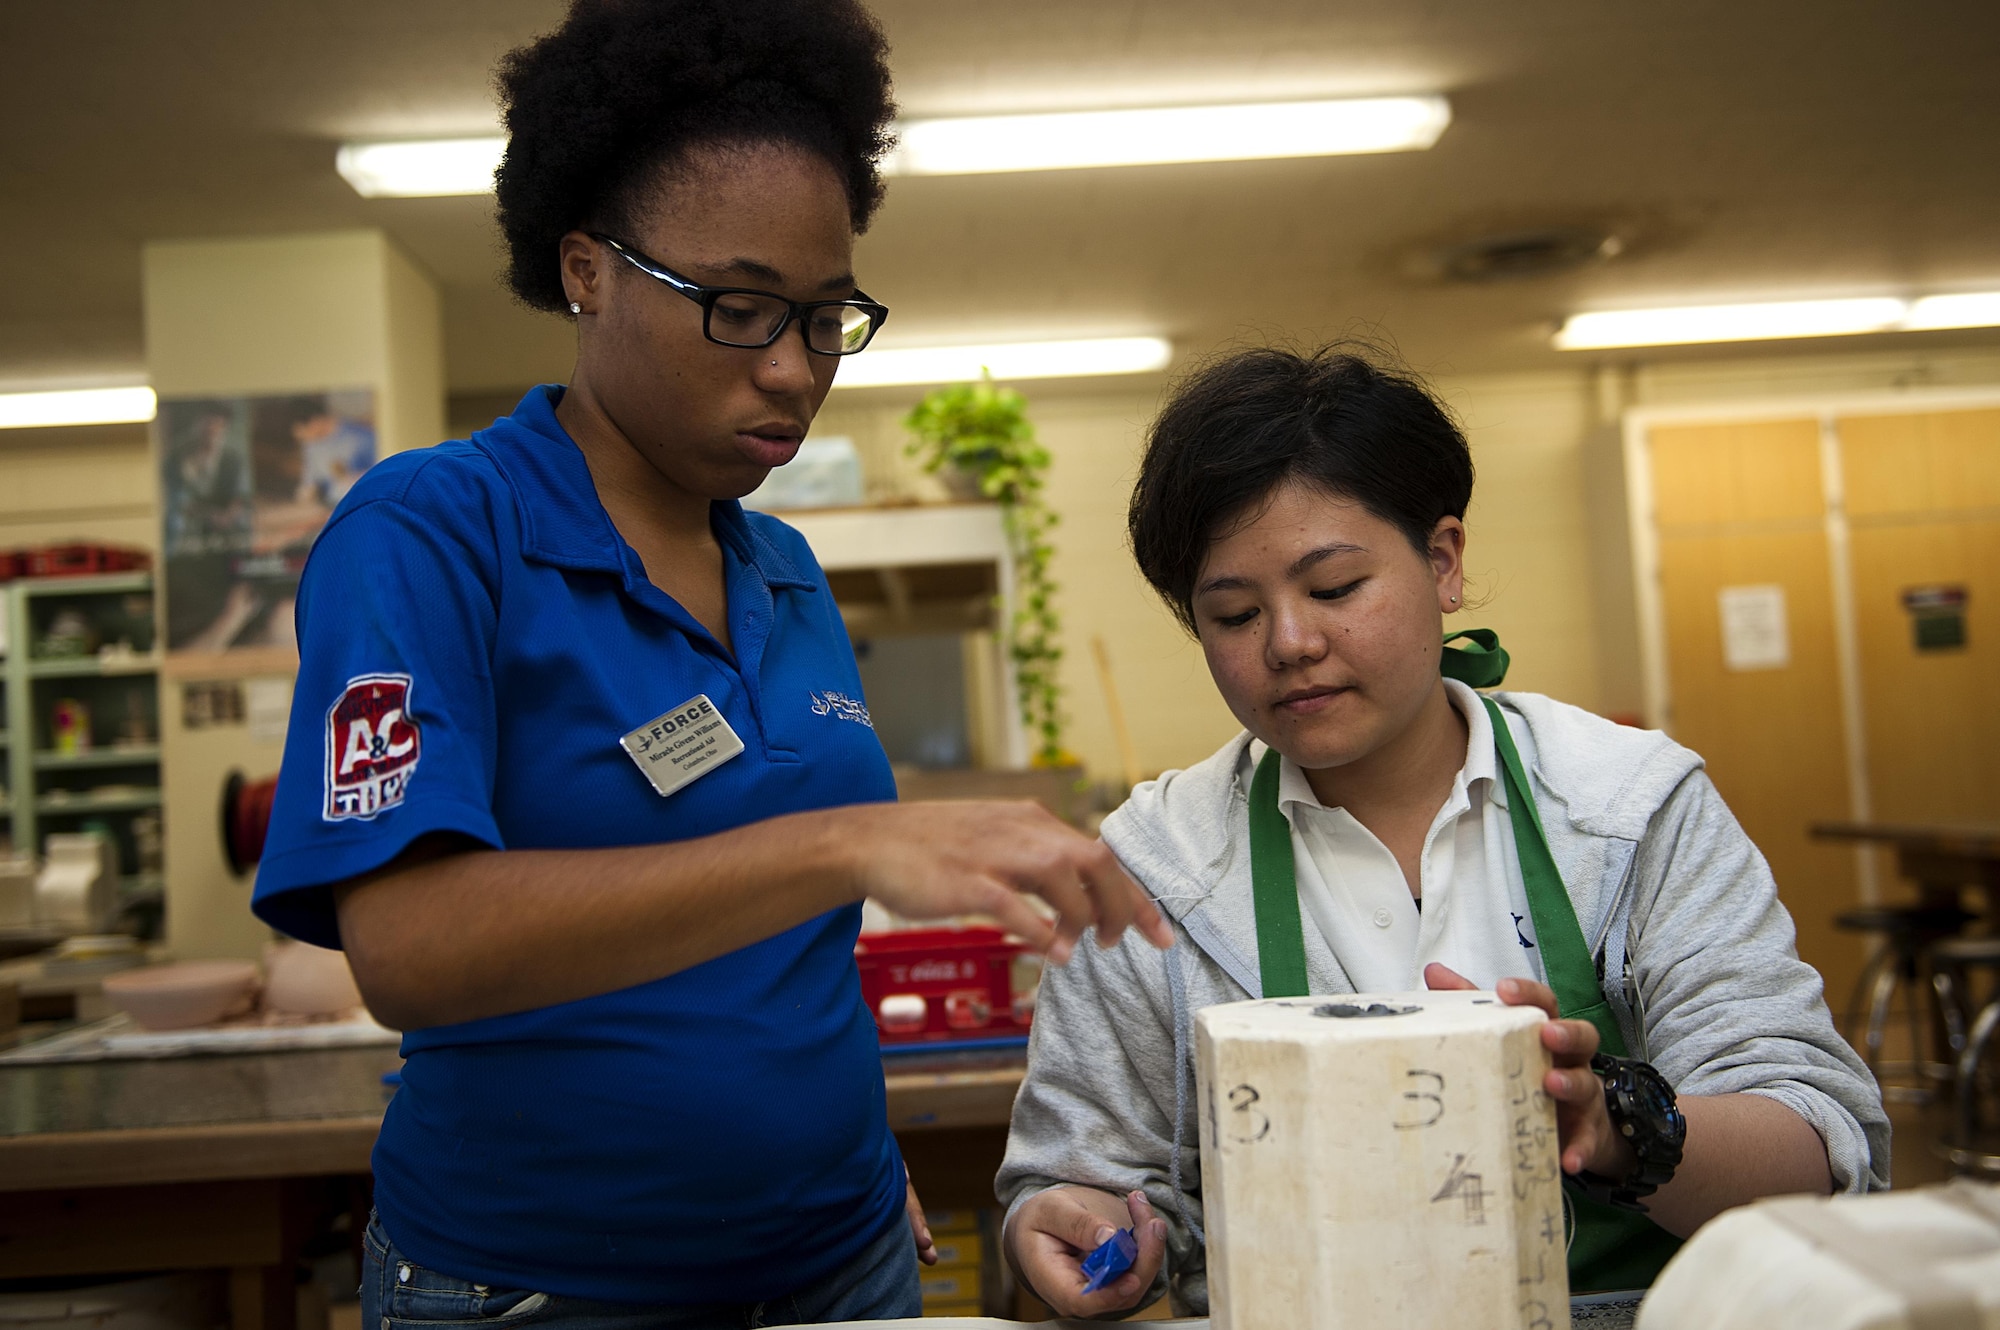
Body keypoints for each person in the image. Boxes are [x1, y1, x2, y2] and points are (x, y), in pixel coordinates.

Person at [250, 3, 1169, 1326]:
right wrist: (845, 842)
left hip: (843, 1253)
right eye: (741, 308)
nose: (796, 370)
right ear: (587, 269)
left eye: (827, 317)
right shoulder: (434, 532)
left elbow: (769, 952)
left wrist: (827, 1145)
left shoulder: (783, 568)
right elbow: (408, 946)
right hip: (544, 1286)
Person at [996, 346, 1888, 1316]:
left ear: (1442, 560)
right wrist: (1072, 1224)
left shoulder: (1626, 806)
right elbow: (1077, 1176)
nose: (1289, 642)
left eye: (1333, 588)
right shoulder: (1151, 870)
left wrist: (1615, 1122)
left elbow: (1815, 1147)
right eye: (1233, 612)